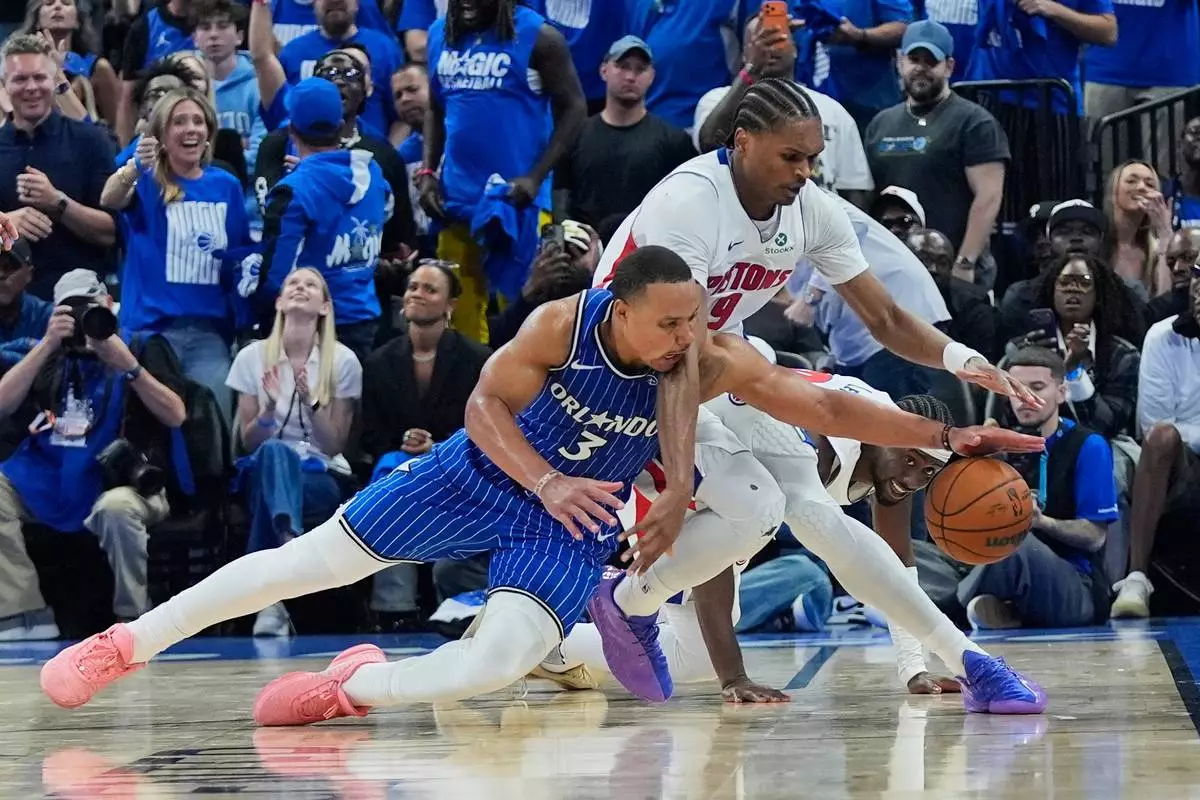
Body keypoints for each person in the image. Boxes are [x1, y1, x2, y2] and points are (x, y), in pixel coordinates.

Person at [39, 246, 1041, 721]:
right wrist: (547, 476)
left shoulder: (703, 355)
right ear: (621, 308)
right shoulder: (563, 324)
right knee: (302, 562)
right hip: (482, 473)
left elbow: (818, 405)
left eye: (696, 321)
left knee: (493, 664)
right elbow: (483, 407)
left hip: (571, 524)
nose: (686, 338)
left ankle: (354, 686)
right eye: (669, 324)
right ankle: (123, 643)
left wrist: (947, 430)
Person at [589, 76, 1041, 710]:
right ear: (742, 141)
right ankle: (602, 618)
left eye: (813, 158)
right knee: (755, 511)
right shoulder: (689, 202)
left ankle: (972, 661)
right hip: (623, 381)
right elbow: (680, 352)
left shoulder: (812, 210)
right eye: (791, 157)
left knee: (808, 509)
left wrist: (966, 361)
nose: (805, 172)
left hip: (716, 364)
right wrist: (682, 484)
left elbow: (885, 318)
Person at [535, 374, 1023, 701]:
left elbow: (897, 567)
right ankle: (576, 616)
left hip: (729, 475)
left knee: (694, 658)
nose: (914, 476)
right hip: (675, 456)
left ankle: (548, 645)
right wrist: (735, 677)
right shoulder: (820, 447)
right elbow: (719, 554)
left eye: (927, 471)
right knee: (794, 533)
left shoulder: (897, 445)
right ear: (882, 439)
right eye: (910, 461)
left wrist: (913, 668)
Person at [0, 269, 187, 638]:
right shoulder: (49, 351)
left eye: (89, 308)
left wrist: (129, 366)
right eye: (70, 311)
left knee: (115, 509)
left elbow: (176, 414)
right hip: (50, 477)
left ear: (107, 304)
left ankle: (134, 621)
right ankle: (25, 613)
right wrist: (47, 344)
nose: (82, 321)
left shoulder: (143, 346)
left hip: (124, 482)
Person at [416, 0, 586, 344]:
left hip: (520, 204)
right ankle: (469, 380)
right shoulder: (438, 34)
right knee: (458, 324)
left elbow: (575, 108)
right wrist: (428, 172)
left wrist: (536, 176)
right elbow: (435, 107)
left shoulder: (540, 37)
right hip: (456, 204)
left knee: (531, 318)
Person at [227, 267, 361, 636]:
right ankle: (290, 545)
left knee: (275, 477)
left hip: (319, 476)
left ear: (324, 307)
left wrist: (311, 403)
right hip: (262, 469)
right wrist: (269, 410)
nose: (300, 287)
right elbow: (249, 443)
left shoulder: (343, 361)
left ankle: (270, 600)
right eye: (292, 283)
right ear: (279, 302)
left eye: (311, 285)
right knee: (274, 451)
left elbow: (334, 445)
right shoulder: (251, 357)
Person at [100, 86, 247, 424]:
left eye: (198, 121)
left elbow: (236, 257)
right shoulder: (147, 179)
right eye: (179, 121)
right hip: (151, 334)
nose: (190, 129)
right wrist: (135, 166)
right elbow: (109, 198)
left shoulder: (227, 185)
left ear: (209, 131)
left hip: (209, 335)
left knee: (212, 432)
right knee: (147, 434)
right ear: (162, 135)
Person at [960, 347, 1117, 630]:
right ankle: (1002, 610)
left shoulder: (1088, 446)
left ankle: (939, 610)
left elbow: (1095, 537)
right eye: (1016, 389)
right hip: (1003, 567)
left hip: (1076, 587)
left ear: (1061, 392)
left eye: (1037, 387)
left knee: (1014, 544)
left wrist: (1041, 522)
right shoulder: (998, 445)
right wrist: (982, 469)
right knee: (927, 550)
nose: (1025, 398)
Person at [247, 78, 393, 363]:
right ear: (340, 126)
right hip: (365, 321)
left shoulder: (293, 191)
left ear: (292, 131)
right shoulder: (372, 171)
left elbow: (276, 275)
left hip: (310, 329)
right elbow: (386, 210)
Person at [18, 0, 120, 125]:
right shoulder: (21, 67)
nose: (57, 6)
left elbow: (117, 126)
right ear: (37, 20)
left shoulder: (98, 68)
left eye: (66, 3)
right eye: (49, 3)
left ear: (77, 21)